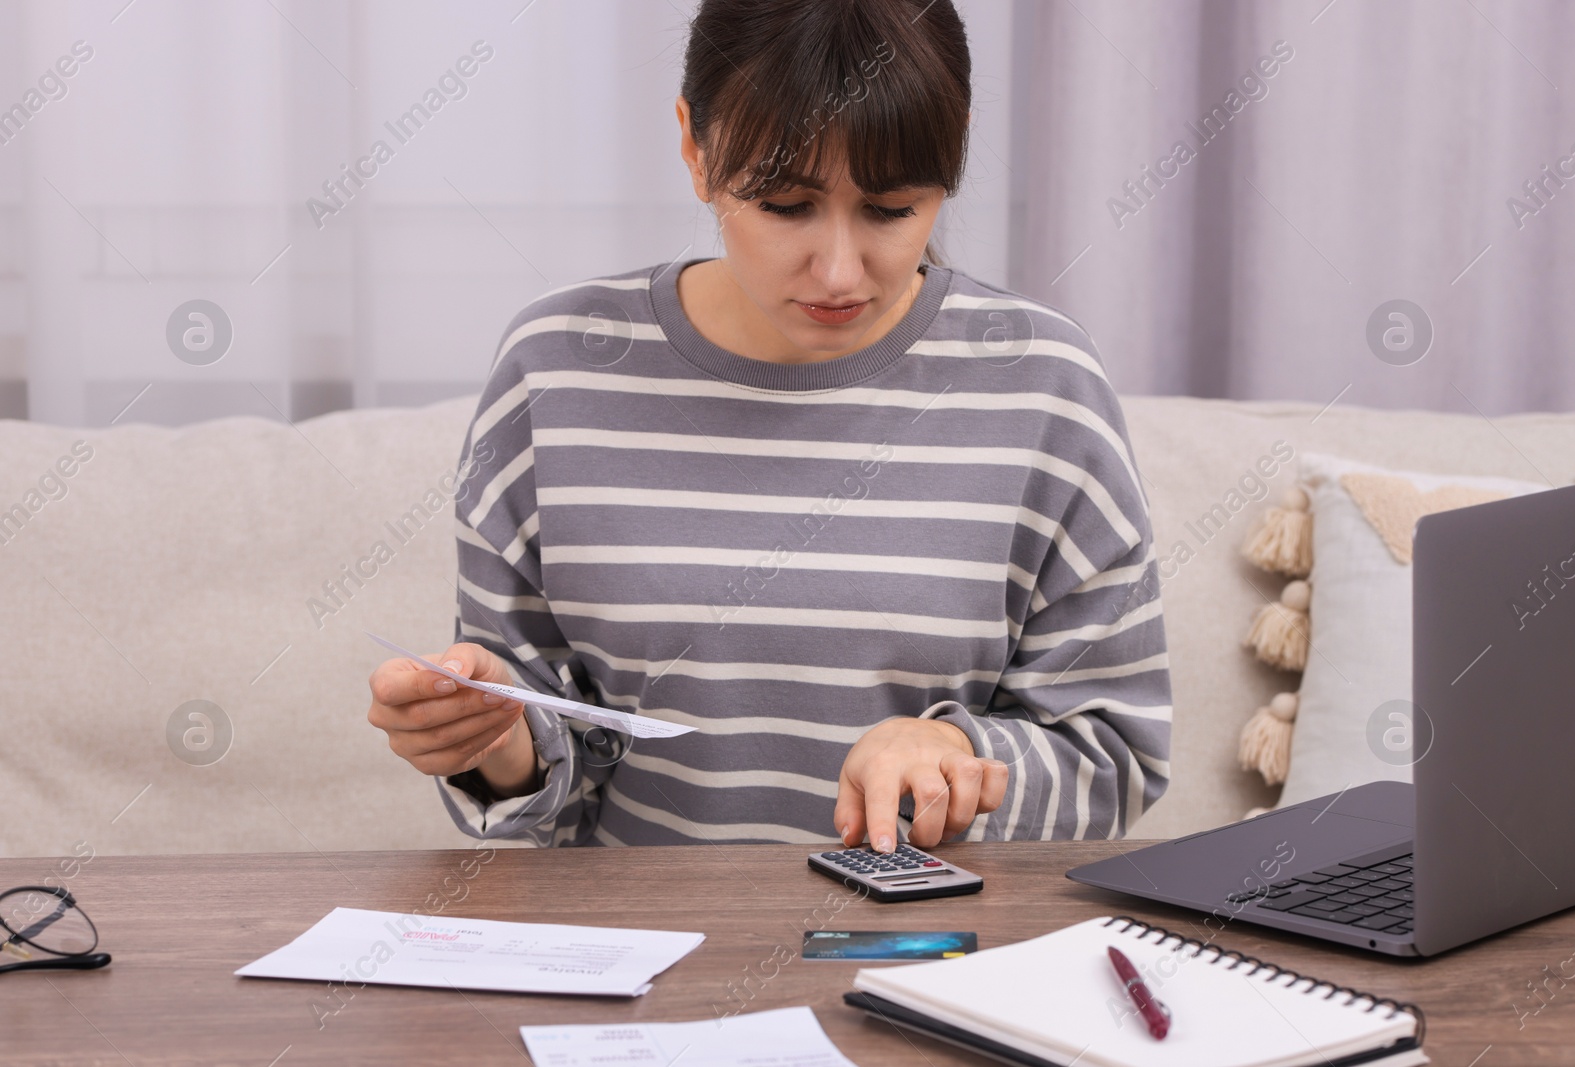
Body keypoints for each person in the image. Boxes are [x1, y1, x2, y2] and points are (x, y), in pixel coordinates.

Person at [366, 0, 1172, 853]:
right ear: (694, 146)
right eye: (785, 205)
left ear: (957, 146)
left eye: (892, 210)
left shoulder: (1044, 383)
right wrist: (497, 742)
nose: (838, 270)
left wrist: (957, 753)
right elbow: (552, 754)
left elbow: (1115, 760)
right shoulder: (556, 368)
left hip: (932, 958)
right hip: (648, 959)